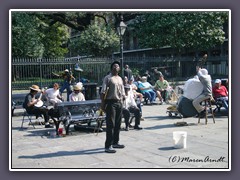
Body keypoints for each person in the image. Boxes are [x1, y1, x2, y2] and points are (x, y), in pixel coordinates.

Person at [100, 61, 126, 153]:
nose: (116, 68)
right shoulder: (108, 78)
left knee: (118, 124)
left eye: (118, 66)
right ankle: (108, 145)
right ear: (111, 68)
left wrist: (123, 100)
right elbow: (103, 92)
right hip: (110, 103)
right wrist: (103, 104)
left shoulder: (120, 78)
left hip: (119, 102)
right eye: (114, 66)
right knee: (111, 124)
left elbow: (122, 91)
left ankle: (115, 142)